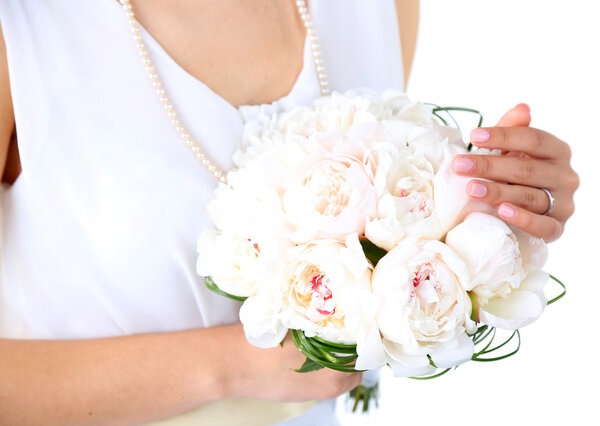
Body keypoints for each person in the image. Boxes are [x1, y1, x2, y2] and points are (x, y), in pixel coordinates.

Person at [0, 0, 578, 425]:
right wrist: (240, 365)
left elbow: (381, 253)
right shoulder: (23, 28)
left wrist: (488, 220)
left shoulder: (380, 7)